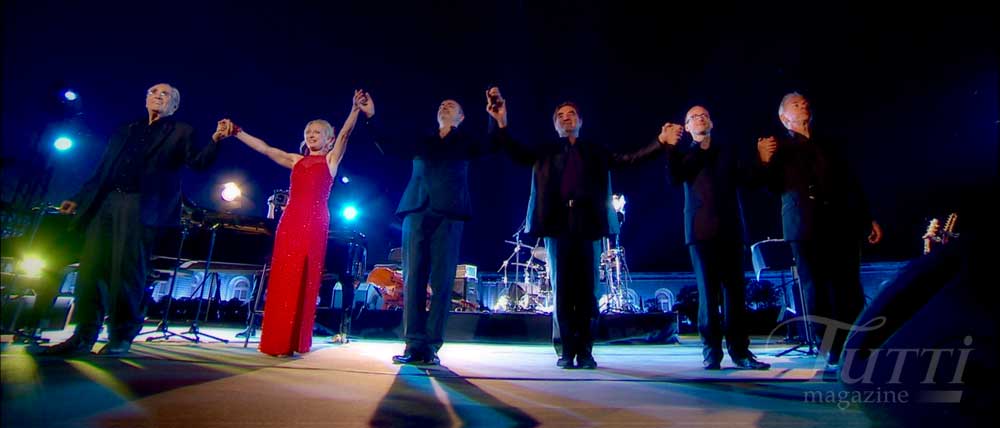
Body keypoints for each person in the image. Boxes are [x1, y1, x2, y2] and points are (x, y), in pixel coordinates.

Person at [32, 83, 229, 356]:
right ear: (146, 98)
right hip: (106, 201)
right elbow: (103, 169)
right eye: (153, 92)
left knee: (127, 270)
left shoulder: (181, 131)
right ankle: (83, 335)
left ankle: (120, 336)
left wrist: (216, 140)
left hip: (140, 205)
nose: (158, 96)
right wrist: (80, 196)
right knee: (92, 269)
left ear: (174, 106)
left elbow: (198, 163)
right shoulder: (126, 129)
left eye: (165, 94)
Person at [489, 89, 668, 369]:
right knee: (562, 290)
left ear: (580, 121)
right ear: (555, 124)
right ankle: (565, 350)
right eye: (560, 116)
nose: (566, 118)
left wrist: (660, 142)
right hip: (557, 224)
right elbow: (515, 151)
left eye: (571, 114)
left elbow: (628, 160)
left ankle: (585, 350)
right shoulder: (545, 151)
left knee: (587, 291)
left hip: (587, 223)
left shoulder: (594, 151)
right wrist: (501, 122)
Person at [225, 90, 370, 357]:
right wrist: (238, 132)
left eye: (318, 132)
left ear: (329, 138)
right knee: (283, 277)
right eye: (309, 131)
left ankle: (297, 340)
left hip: (315, 222)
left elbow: (346, 135)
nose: (312, 135)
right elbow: (266, 149)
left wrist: (354, 110)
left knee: (305, 277)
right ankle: (276, 340)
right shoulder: (295, 160)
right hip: (289, 221)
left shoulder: (330, 160)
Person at [370, 92, 502, 365]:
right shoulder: (423, 140)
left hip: (450, 212)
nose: (444, 105)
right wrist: (371, 117)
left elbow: (491, 145)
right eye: (442, 104)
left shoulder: (465, 142)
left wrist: (495, 118)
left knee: (442, 281)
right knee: (413, 278)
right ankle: (412, 344)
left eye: (452, 105)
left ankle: (430, 346)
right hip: (416, 209)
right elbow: (389, 146)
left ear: (461, 117)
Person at [756, 92, 883, 370]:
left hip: (841, 222)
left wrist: (866, 218)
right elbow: (770, 186)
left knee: (848, 283)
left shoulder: (829, 143)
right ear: (783, 116)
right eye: (794, 104)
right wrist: (764, 162)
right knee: (816, 285)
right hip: (804, 225)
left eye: (804, 102)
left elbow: (850, 181)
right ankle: (830, 346)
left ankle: (856, 342)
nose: (802, 105)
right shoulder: (778, 147)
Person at [662, 105, 770, 370]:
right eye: (693, 118)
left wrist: (763, 160)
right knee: (708, 293)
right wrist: (677, 146)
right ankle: (711, 351)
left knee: (735, 292)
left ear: (712, 122)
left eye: (704, 116)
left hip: (731, 230)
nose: (700, 119)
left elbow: (749, 180)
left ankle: (740, 351)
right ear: (687, 128)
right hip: (700, 232)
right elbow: (674, 177)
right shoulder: (684, 156)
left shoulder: (727, 151)